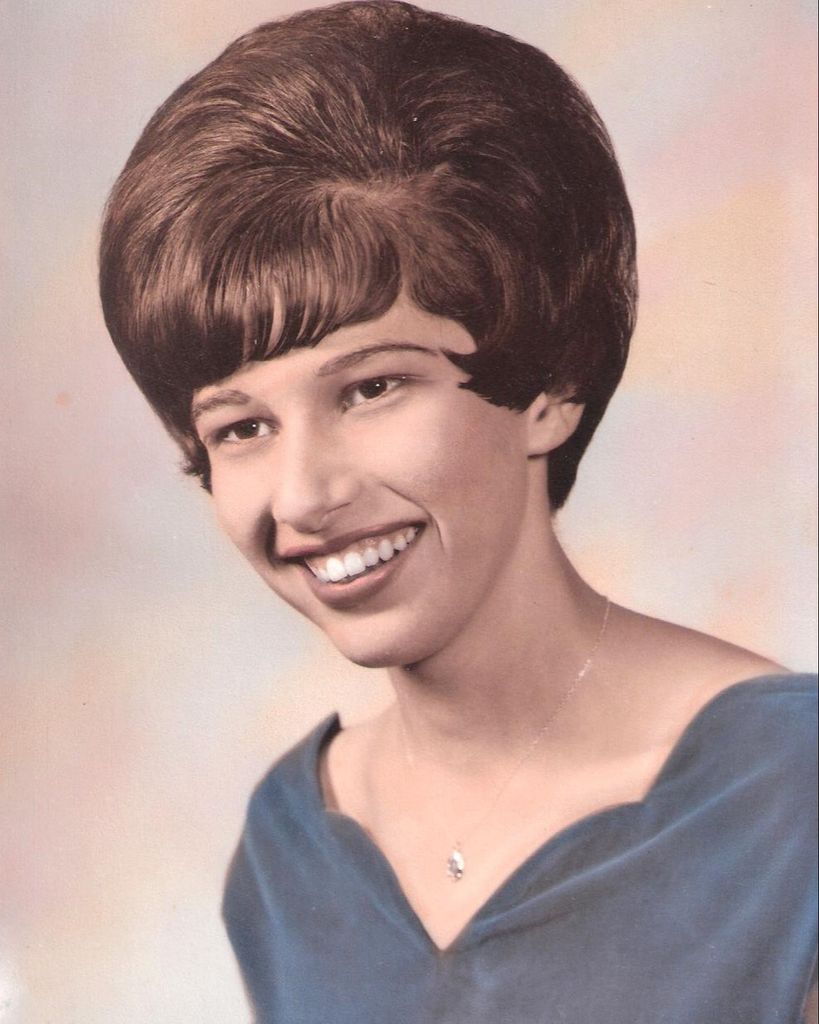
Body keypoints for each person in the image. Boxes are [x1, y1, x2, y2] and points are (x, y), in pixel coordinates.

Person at [98, 2, 817, 1021]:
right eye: (241, 427)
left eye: (371, 388)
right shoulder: (289, 846)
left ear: (551, 385)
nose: (303, 495)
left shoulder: (790, 792)